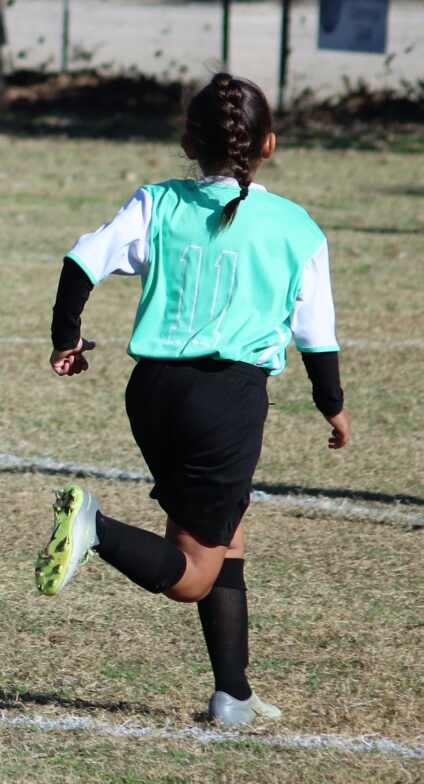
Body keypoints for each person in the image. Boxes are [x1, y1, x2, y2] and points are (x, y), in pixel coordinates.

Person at [34, 73, 348, 728]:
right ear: (269, 143)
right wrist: (332, 404)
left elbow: (81, 260)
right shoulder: (295, 226)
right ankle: (96, 528)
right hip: (227, 400)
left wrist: (68, 336)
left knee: (226, 534)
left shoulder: (158, 202)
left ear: (187, 143)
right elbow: (316, 333)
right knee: (194, 574)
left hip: (151, 393)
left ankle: (232, 693)